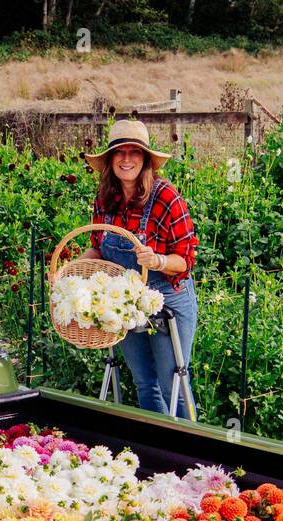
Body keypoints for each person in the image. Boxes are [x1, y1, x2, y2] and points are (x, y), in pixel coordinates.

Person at [78, 119, 200, 418]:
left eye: (135, 152)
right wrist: (75, 266)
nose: (127, 158)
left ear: (145, 159)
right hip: (125, 300)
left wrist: (157, 260)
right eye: (120, 152)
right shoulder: (106, 198)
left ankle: (194, 454)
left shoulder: (165, 198)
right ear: (110, 160)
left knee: (173, 383)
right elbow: (98, 246)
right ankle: (158, 451)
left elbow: (185, 259)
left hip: (167, 297)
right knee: (145, 382)